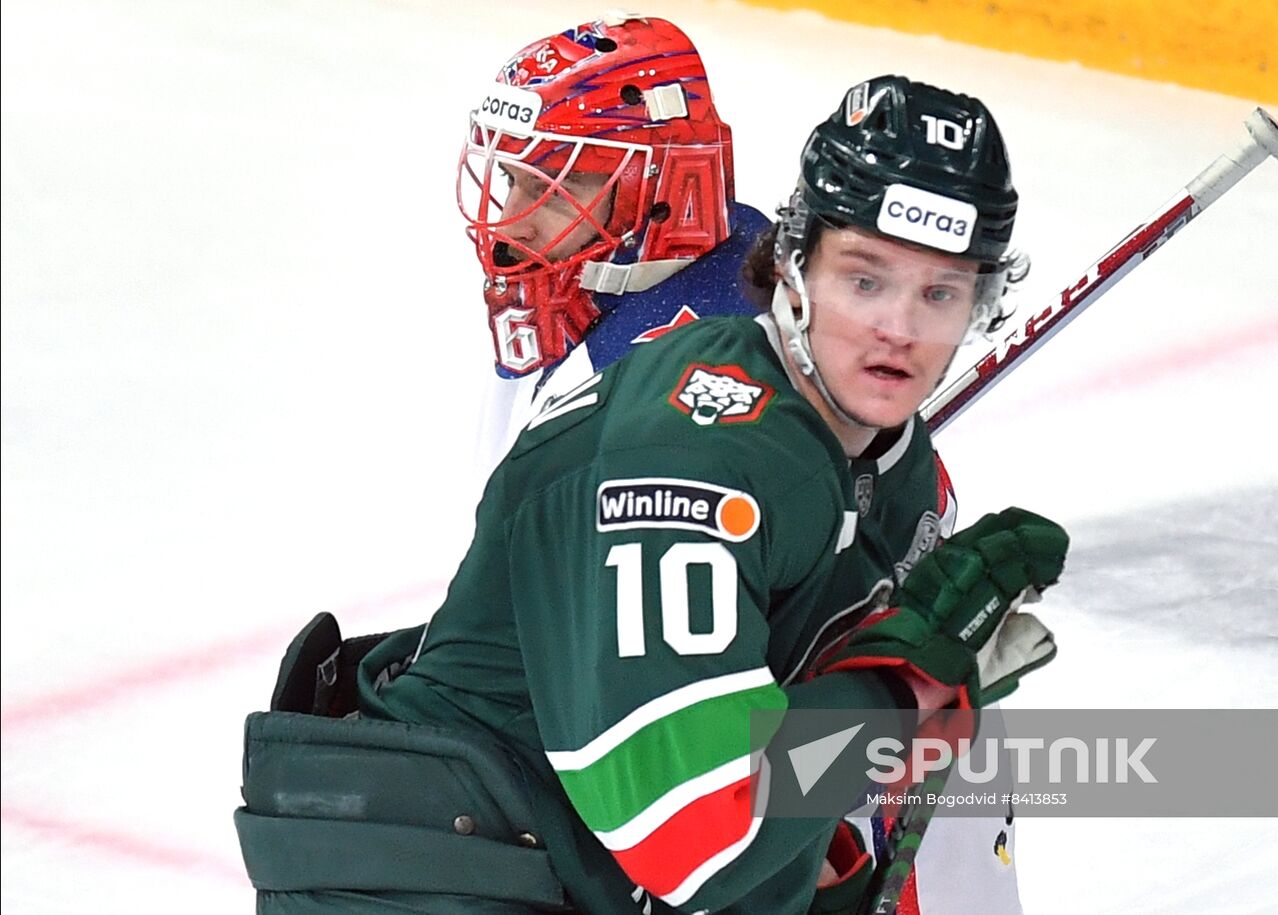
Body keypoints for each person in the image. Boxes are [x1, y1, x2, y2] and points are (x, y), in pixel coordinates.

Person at [234, 75, 1067, 914]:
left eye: (940, 292)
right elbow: (693, 827)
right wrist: (901, 690)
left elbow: (775, 797)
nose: (899, 326)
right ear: (792, 262)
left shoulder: (896, 472)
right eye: (864, 279)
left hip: (549, 864)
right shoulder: (689, 448)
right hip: (430, 872)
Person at [457, 13, 770, 467]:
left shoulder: (733, 358)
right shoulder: (570, 298)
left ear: (661, 191)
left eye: (554, 189)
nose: (509, 227)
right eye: (510, 179)